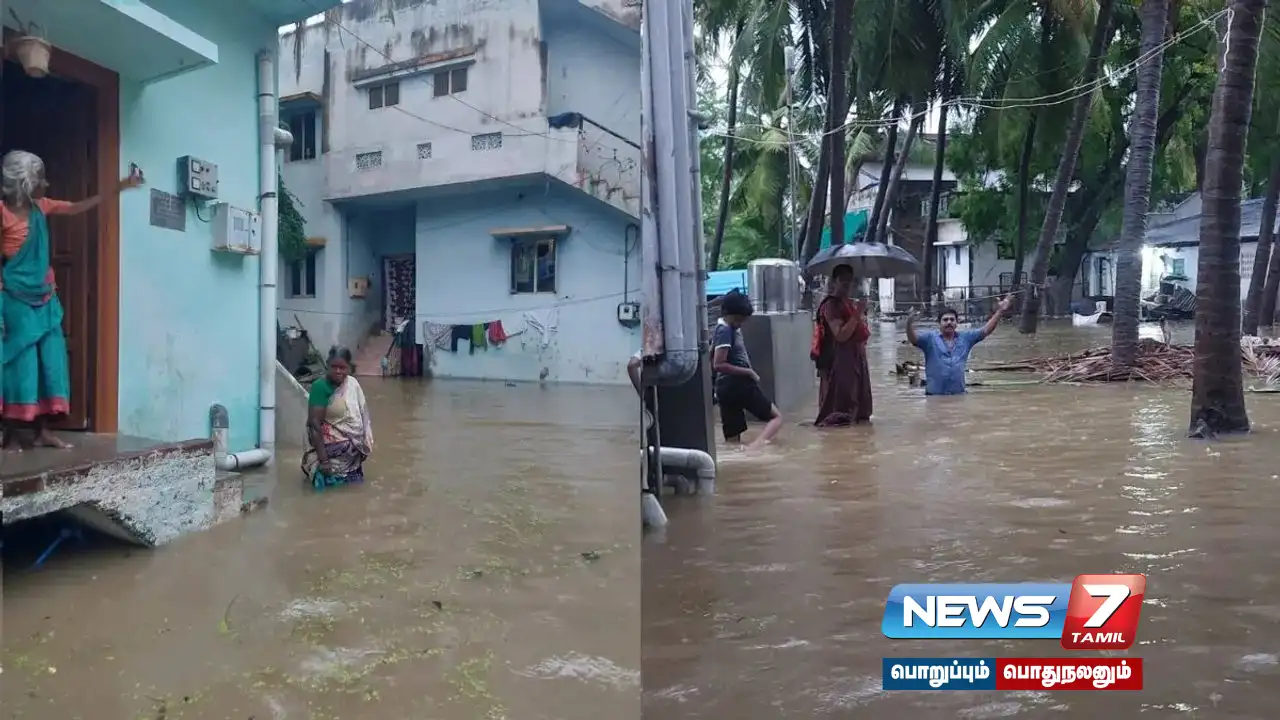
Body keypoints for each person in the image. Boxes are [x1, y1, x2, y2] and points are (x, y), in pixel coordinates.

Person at [0, 150, 144, 451]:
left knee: (52, 363)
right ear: (25, 183)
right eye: (40, 178)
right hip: (15, 301)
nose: (47, 184)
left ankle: (43, 431)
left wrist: (119, 186)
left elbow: (78, 207)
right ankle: (13, 433)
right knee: (22, 366)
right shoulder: (2, 213)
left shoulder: (42, 207)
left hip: (45, 297)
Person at [712, 290, 782, 449]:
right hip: (739, 384)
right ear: (726, 313)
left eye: (742, 320)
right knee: (776, 418)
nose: (739, 324)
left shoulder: (720, 329)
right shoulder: (725, 331)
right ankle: (755, 449)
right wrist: (749, 372)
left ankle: (741, 457)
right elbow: (718, 364)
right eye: (737, 319)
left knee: (732, 439)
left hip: (725, 388)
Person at [907, 295, 1013, 396]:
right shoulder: (929, 338)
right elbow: (914, 340)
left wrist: (1000, 311)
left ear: (957, 323)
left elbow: (985, 331)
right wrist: (909, 323)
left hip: (958, 395)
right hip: (934, 396)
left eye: (952, 320)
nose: (949, 322)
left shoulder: (966, 338)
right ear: (939, 323)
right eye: (945, 320)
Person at [303, 345, 375, 488]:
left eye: (342, 368)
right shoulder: (320, 387)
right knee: (326, 503)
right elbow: (314, 425)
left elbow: (362, 415)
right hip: (330, 460)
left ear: (349, 368)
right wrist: (324, 461)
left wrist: (364, 444)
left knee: (353, 501)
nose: (338, 371)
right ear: (327, 366)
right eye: (334, 367)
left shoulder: (352, 384)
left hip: (353, 458)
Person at [813, 264, 873, 425]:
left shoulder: (848, 303)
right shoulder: (831, 305)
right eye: (843, 280)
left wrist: (860, 313)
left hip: (855, 359)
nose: (847, 284)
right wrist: (858, 312)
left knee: (858, 407)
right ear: (834, 281)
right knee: (840, 408)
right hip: (839, 362)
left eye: (850, 280)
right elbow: (840, 335)